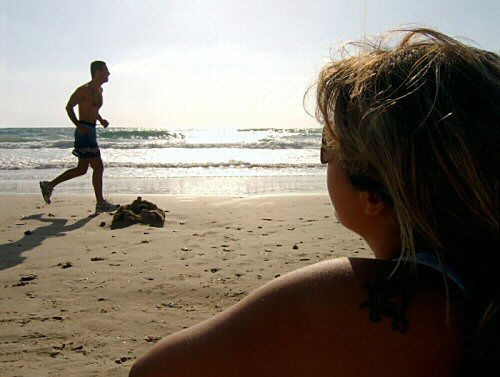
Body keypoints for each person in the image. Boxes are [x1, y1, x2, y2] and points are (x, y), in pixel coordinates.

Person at [129, 29, 499, 376]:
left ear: (372, 195)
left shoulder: (359, 298)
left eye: (328, 145)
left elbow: (154, 371)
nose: (324, 157)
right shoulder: (477, 285)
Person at [39, 61, 119, 214]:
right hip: (84, 132)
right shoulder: (84, 90)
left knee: (82, 169)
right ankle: (100, 203)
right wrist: (78, 125)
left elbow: (93, 108)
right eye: (106, 71)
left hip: (91, 130)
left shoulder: (100, 90)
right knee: (98, 167)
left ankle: (49, 185)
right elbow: (69, 107)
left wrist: (101, 120)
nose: (108, 74)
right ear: (97, 72)